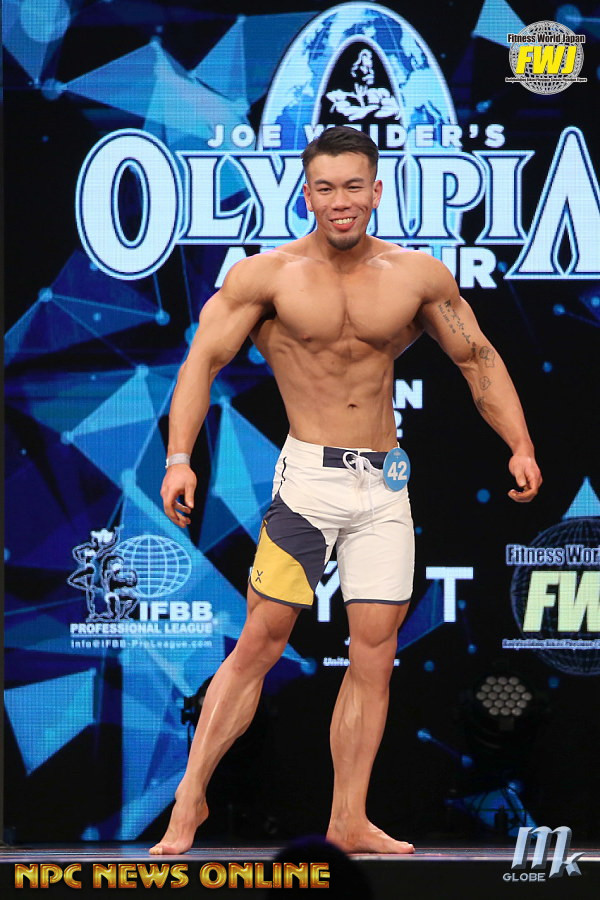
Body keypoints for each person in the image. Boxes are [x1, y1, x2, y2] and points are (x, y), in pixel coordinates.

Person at [150, 126, 541, 856]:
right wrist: (179, 458)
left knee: (374, 651)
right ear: (307, 194)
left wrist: (519, 444)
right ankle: (190, 798)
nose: (340, 201)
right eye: (326, 188)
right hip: (309, 485)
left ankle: (348, 817)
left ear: (376, 190)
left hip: (385, 488)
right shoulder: (266, 278)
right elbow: (201, 362)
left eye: (353, 186)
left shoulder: (416, 276)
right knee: (262, 640)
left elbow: (478, 359)